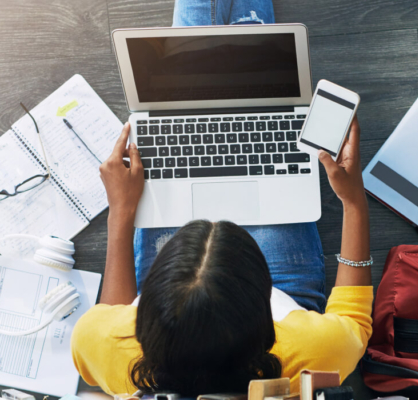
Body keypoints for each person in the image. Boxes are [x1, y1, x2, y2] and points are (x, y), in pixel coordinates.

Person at [71, 0, 373, 395]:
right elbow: (354, 321)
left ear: (143, 318)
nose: (218, 217)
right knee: (255, 75)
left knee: (182, 82)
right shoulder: (310, 350)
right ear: (267, 321)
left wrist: (121, 213)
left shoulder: (101, 346)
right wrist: (353, 201)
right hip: (286, 291)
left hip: (203, 307)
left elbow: (110, 314)